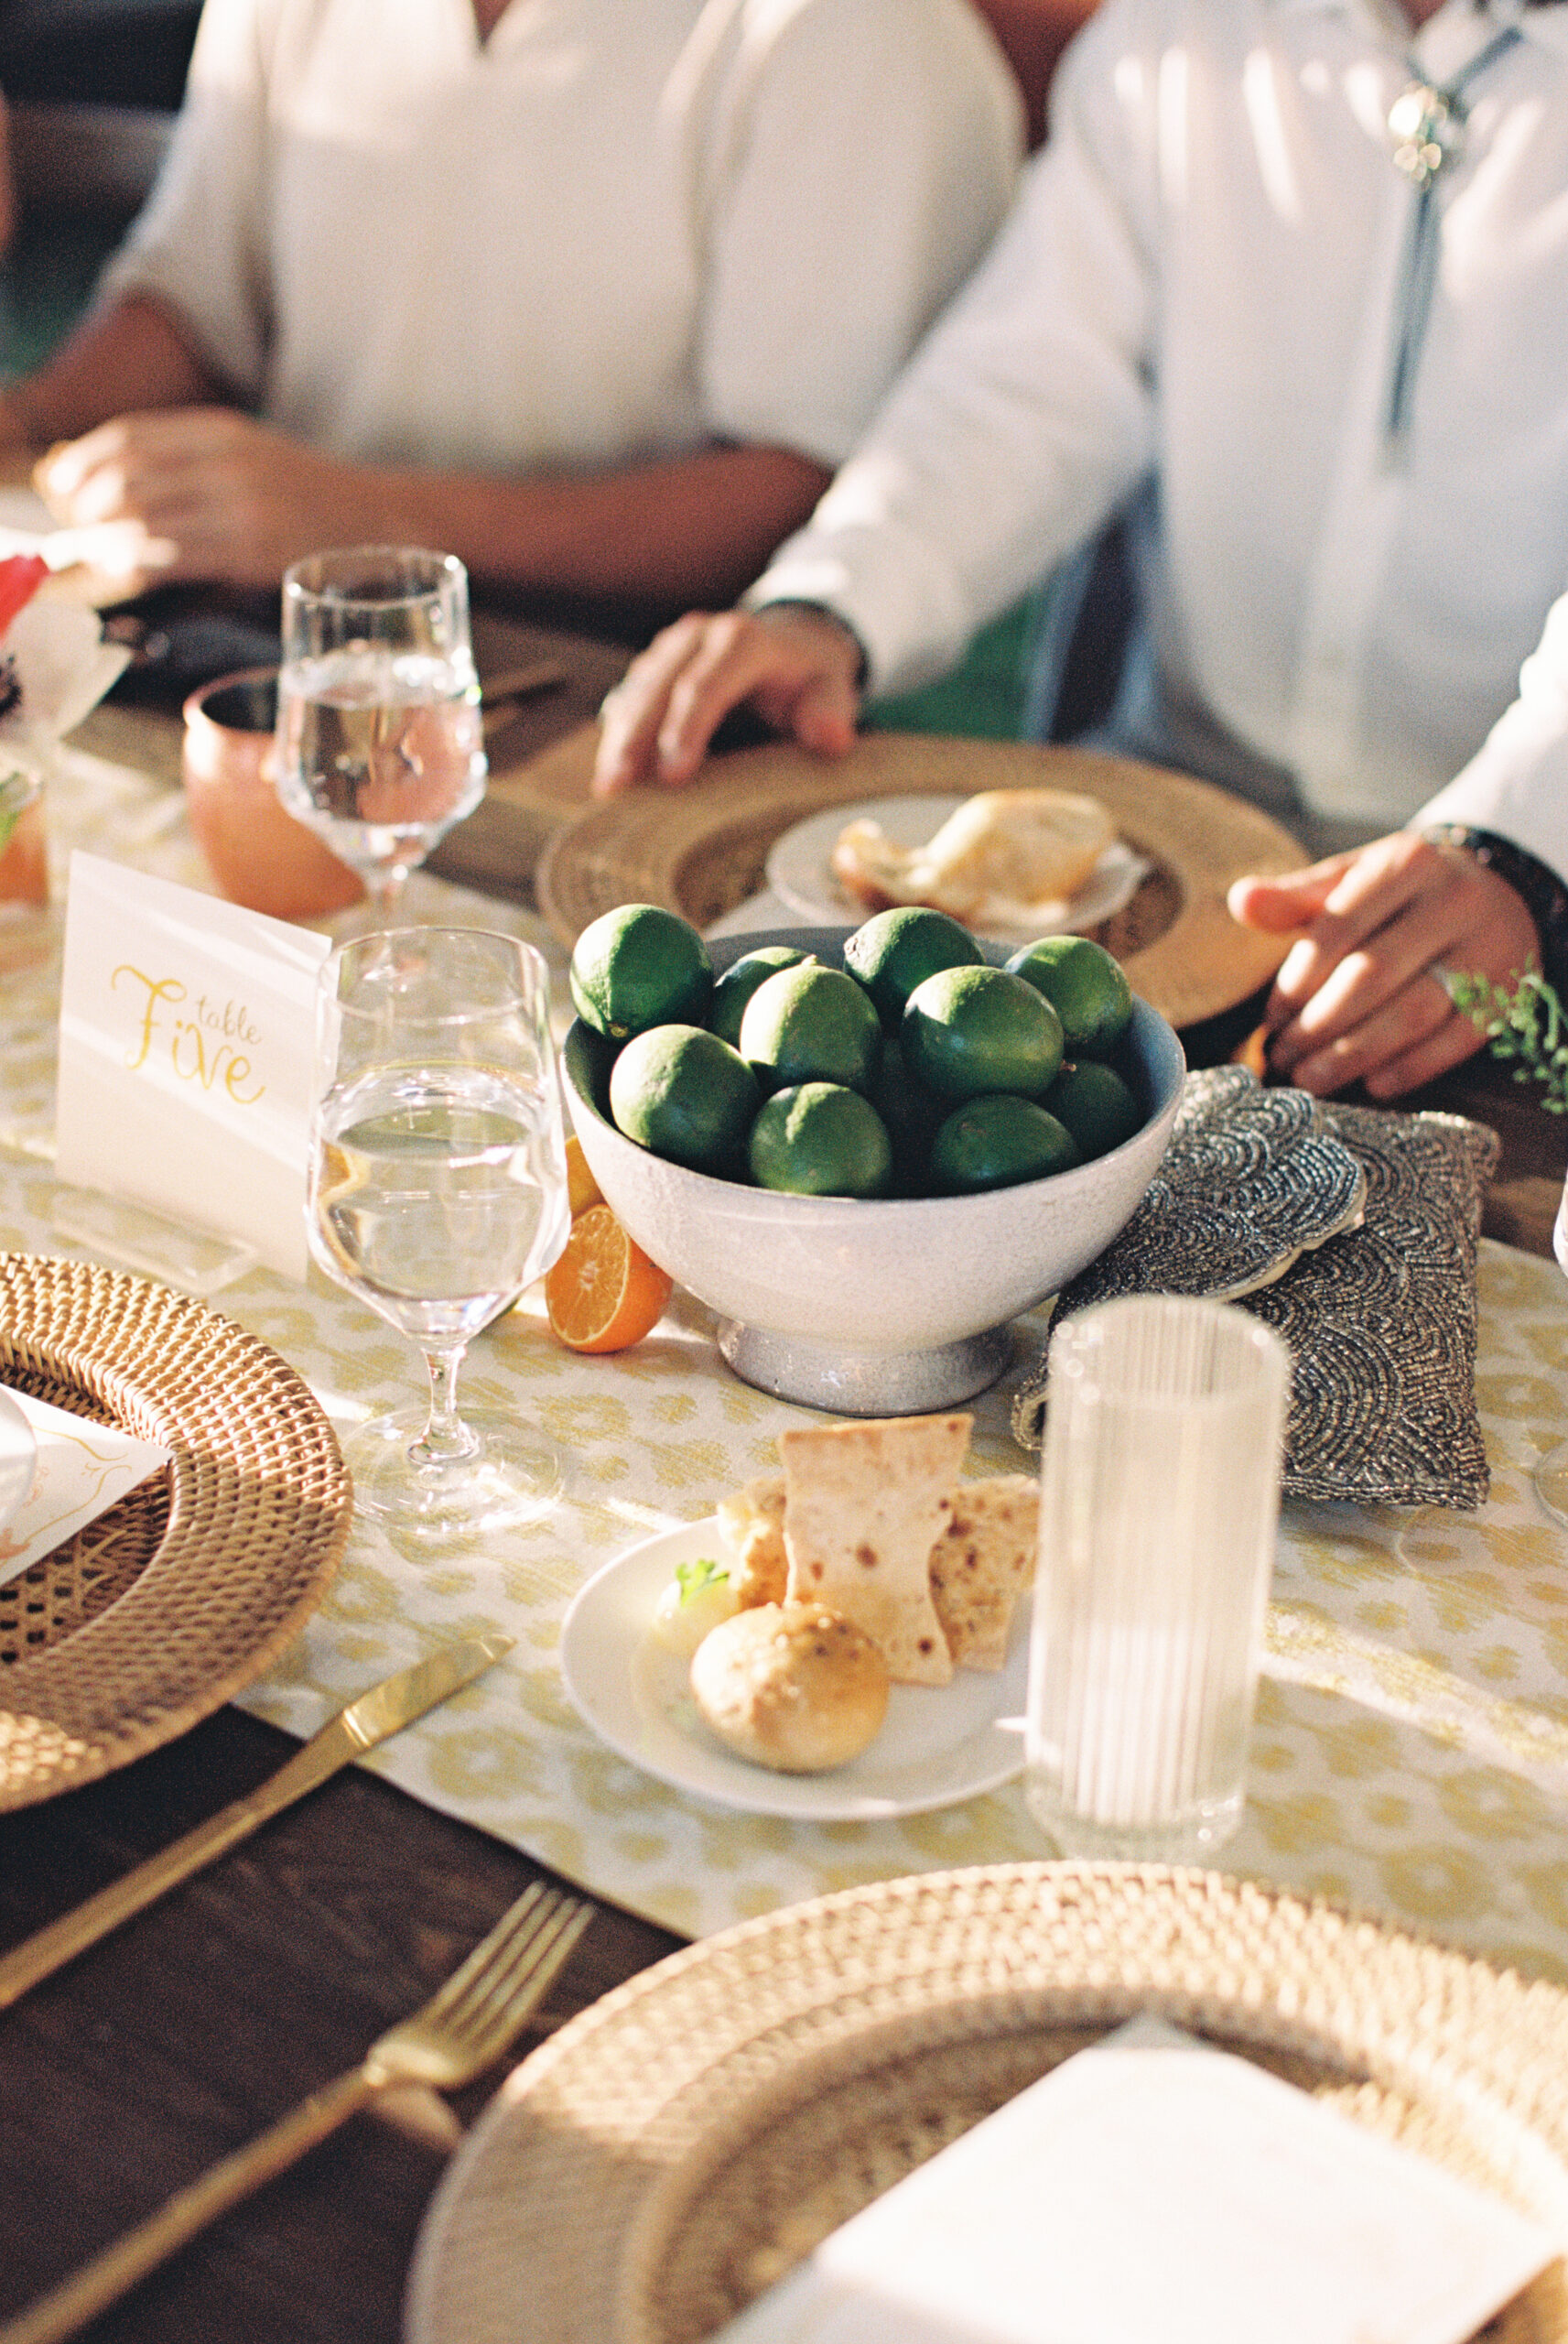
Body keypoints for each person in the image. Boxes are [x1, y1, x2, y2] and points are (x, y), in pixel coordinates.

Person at [595, 0, 1568, 1102]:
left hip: (1538, 912)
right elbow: (1029, 386)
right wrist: (831, 603)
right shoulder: (1170, 37)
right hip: (1171, 863)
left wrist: (1523, 838)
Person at [0, 0, 1022, 624]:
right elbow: (192, 296)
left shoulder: (859, 32)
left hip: (641, 734)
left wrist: (371, 522)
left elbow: (804, 495)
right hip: (293, 665)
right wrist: (33, 421)